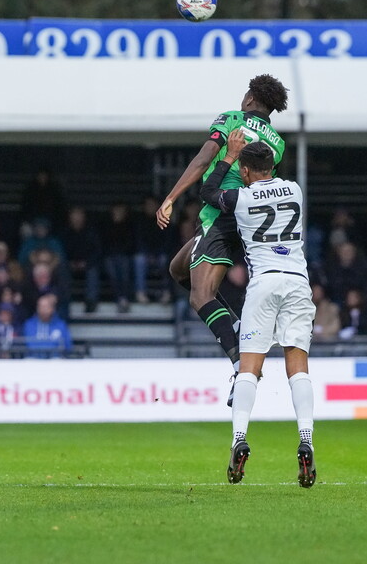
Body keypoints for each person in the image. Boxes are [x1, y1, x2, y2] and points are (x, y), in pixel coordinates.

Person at [200, 131, 317, 489]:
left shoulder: (242, 199)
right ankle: (307, 438)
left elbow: (207, 193)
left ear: (248, 170)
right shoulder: (295, 189)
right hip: (297, 281)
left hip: (264, 282)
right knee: (298, 368)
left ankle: (239, 438)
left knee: (249, 369)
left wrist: (229, 157)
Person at [156, 74, 289, 377]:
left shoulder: (231, 119)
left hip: (219, 213)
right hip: (246, 216)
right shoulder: (277, 143)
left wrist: (171, 197)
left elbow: (203, 160)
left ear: (250, 99)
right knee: (178, 269)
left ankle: (240, 363)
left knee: (200, 295)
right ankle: (235, 323)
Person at [63, 206, 102, 313]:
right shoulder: (66, 232)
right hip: (70, 264)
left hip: (87, 264)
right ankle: (65, 300)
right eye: (74, 216)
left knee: (93, 271)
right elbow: (61, 252)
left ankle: (91, 301)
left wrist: (86, 263)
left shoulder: (91, 231)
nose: (76, 218)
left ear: (84, 217)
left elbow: (97, 251)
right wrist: (70, 263)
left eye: (79, 215)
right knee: (62, 269)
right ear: (70, 217)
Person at [102, 203, 135, 313]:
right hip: (109, 256)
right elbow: (104, 244)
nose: (118, 213)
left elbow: (131, 244)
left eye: (121, 211)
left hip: (125, 256)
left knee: (124, 267)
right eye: (116, 211)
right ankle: (119, 298)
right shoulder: (106, 226)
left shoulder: (129, 226)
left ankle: (124, 297)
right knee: (112, 269)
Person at [22, 294, 73, 359]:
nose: (43, 310)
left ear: (53, 309)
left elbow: (68, 346)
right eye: (41, 306)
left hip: (55, 360)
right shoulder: (29, 324)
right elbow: (25, 345)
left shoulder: (61, 325)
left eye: (46, 307)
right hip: (33, 359)